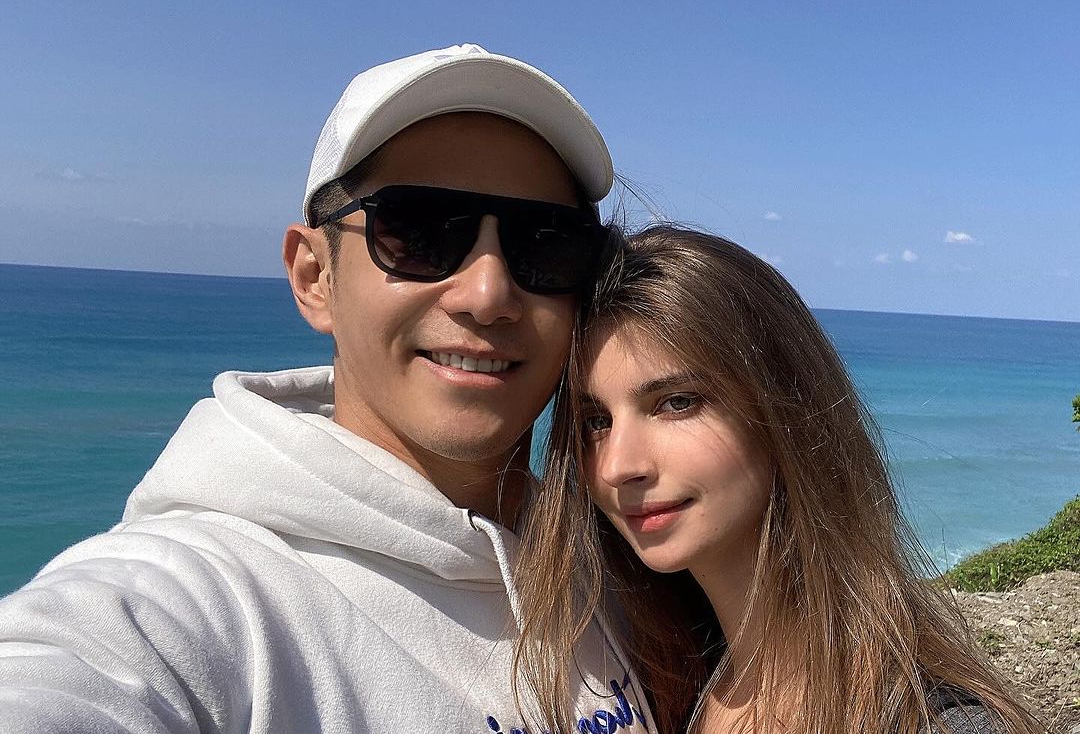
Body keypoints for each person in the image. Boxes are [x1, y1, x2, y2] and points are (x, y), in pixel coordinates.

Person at [0, 45, 654, 733]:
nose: (488, 294)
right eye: (420, 232)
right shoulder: (203, 604)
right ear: (315, 277)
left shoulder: (623, 558)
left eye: (546, 243)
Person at [513, 225, 1044, 733]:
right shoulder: (659, 690)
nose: (617, 466)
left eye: (676, 402)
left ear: (785, 413)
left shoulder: (933, 722)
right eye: (596, 422)